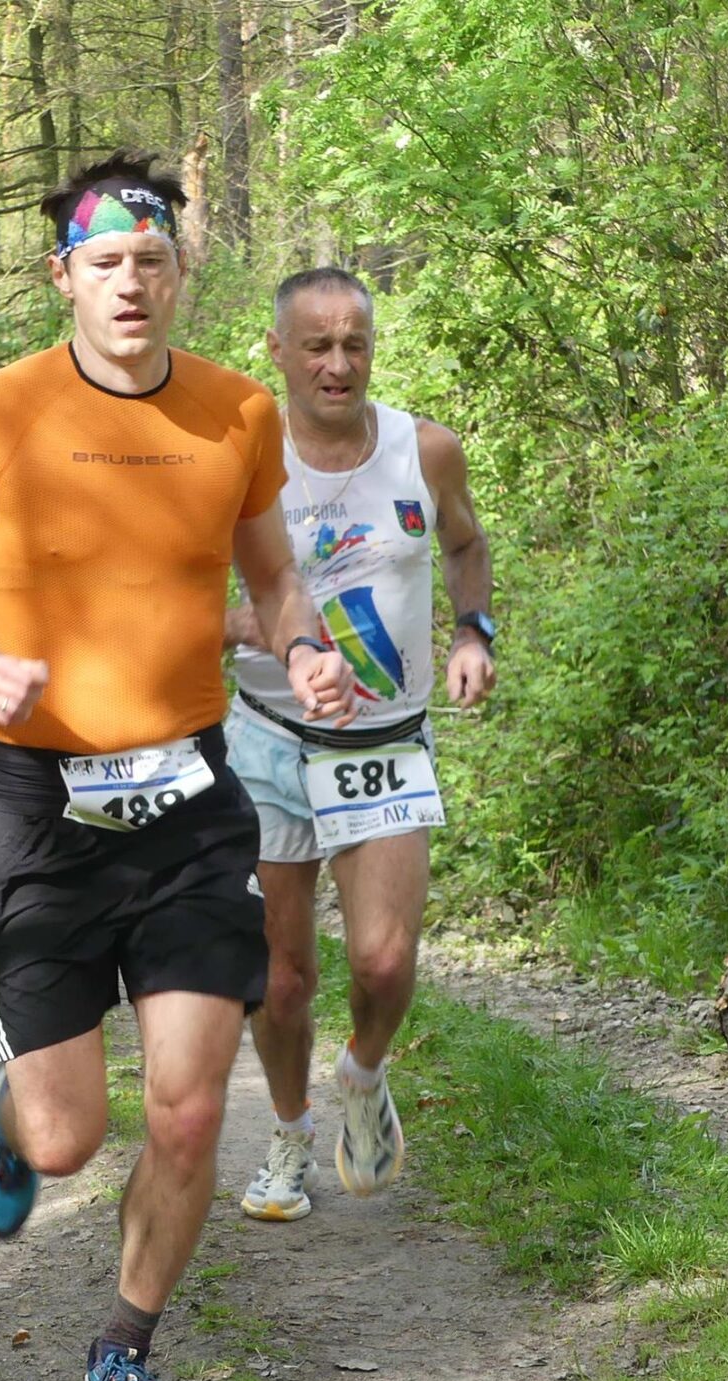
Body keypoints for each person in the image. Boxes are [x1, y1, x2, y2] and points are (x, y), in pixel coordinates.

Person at [0, 151, 351, 1381]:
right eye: (106, 263)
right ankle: (20, 1103)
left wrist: (303, 647)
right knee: (65, 1145)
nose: (131, 282)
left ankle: (123, 1350)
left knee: (190, 1108)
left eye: (152, 259)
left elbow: (273, 577)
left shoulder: (237, 413)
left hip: (192, 799)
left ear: (180, 270)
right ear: (65, 278)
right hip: (42, 802)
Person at [222, 267, 497, 1222]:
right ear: (278, 352)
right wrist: (254, 630)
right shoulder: (238, 459)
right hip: (267, 739)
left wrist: (472, 633)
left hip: (385, 741)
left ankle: (364, 1075)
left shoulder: (426, 450)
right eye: (317, 347)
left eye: (354, 345)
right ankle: (289, 1134)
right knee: (280, 977)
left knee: (382, 963)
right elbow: (179, 602)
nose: (337, 365)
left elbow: (465, 546)